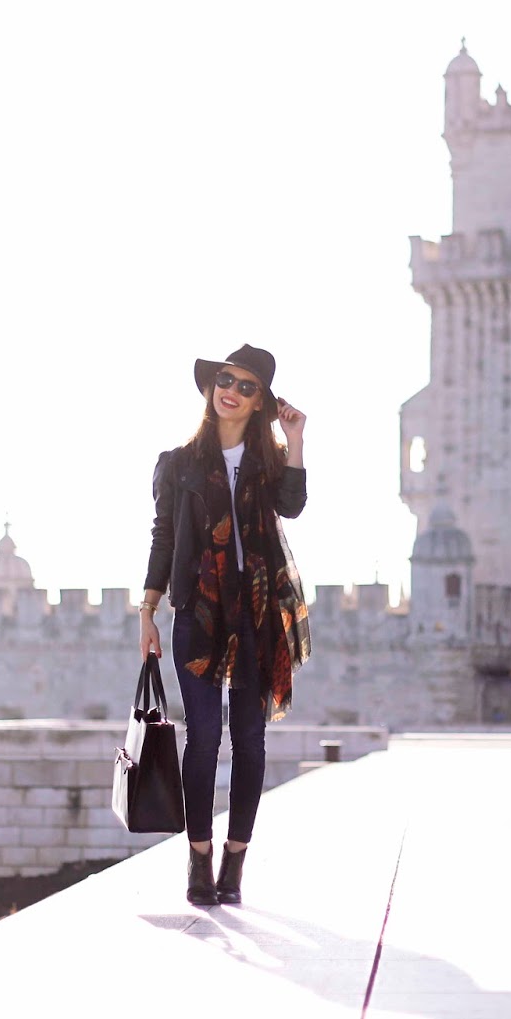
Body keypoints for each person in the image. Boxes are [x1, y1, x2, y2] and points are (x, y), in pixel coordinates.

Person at [141, 344, 310, 906]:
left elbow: (293, 506)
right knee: (203, 737)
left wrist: (296, 439)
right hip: (198, 611)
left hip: (257, 613)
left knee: (251, 741)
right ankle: (198, 858)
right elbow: (164, 538)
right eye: (224, 380)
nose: (230, 391)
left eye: (245, 386)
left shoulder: (269, 462)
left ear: (261, 402)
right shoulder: (178, 463)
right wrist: (148, 610)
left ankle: (235, 861)